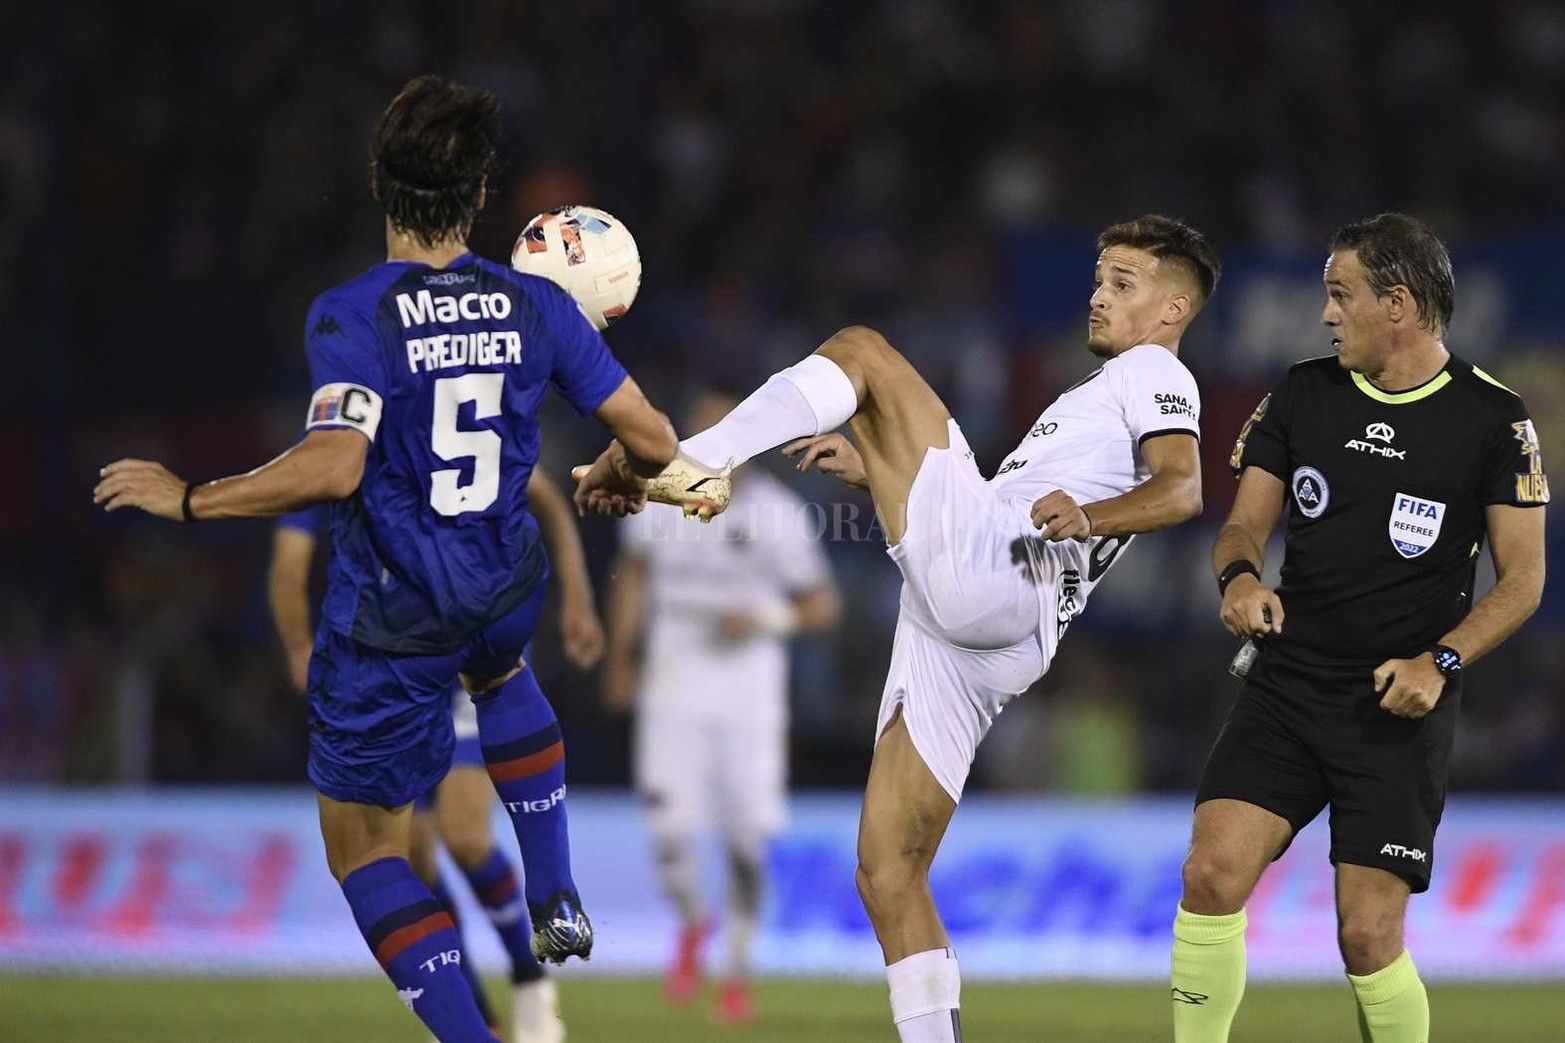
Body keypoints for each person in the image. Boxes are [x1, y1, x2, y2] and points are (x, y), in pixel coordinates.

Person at [94, 75, 679, 1043]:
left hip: (397, 616)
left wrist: (191, 498)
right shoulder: (537, 304)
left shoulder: (351, 313)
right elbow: (653, 438)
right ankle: (556, 887)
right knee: (501, 669)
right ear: (482, 191)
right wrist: (618, 468)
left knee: (364, 847)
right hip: (501, 583)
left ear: (378, 184)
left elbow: (334, 463)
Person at [576, 215, 1219, 1042]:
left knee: (864, 351)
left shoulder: (1151, 374)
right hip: (994, 633)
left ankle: (690, 459)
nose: (1098, 295)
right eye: (1099, 277)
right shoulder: (1097, 396)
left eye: (1122, 283)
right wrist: (876, 464)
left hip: (1003, 575)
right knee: (887, 873)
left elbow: (1183, 489)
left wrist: (1089, 514)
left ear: (1171, 309)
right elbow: (986, 502)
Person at [1172, 213, 1549, 1043]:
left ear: (1398, 304)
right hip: (1286, 683)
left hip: (1396, 703)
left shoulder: (1493, 418)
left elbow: (1523, 580)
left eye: (1339, 295)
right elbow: (1241, 529)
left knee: (1366, 933)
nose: (1324, 314)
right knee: (1209, 871)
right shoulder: (1303, 392)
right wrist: (1238, 580)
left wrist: (1440, 660)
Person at [269, 465, 603, 1043]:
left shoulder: (437, 411)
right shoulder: (341, 443)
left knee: (466, 834)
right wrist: (298, 644)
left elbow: (545, 496)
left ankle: (529, 977)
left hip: (463, 651)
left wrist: (577, 593)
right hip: (382, 666)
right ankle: (477, 1020)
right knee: (413, 862)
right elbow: (289, 559)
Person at [600, 388, 842, 1024]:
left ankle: (735, 969)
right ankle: (692, 922)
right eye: (702, 425)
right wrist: (621, 659)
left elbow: (822, 607)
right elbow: (636, 577)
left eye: (723, 425)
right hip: (675, 666)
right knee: (668, 829)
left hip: (748, 681)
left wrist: (764, 617)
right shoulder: (659, 497)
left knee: (749, 841)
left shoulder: (777, 513)